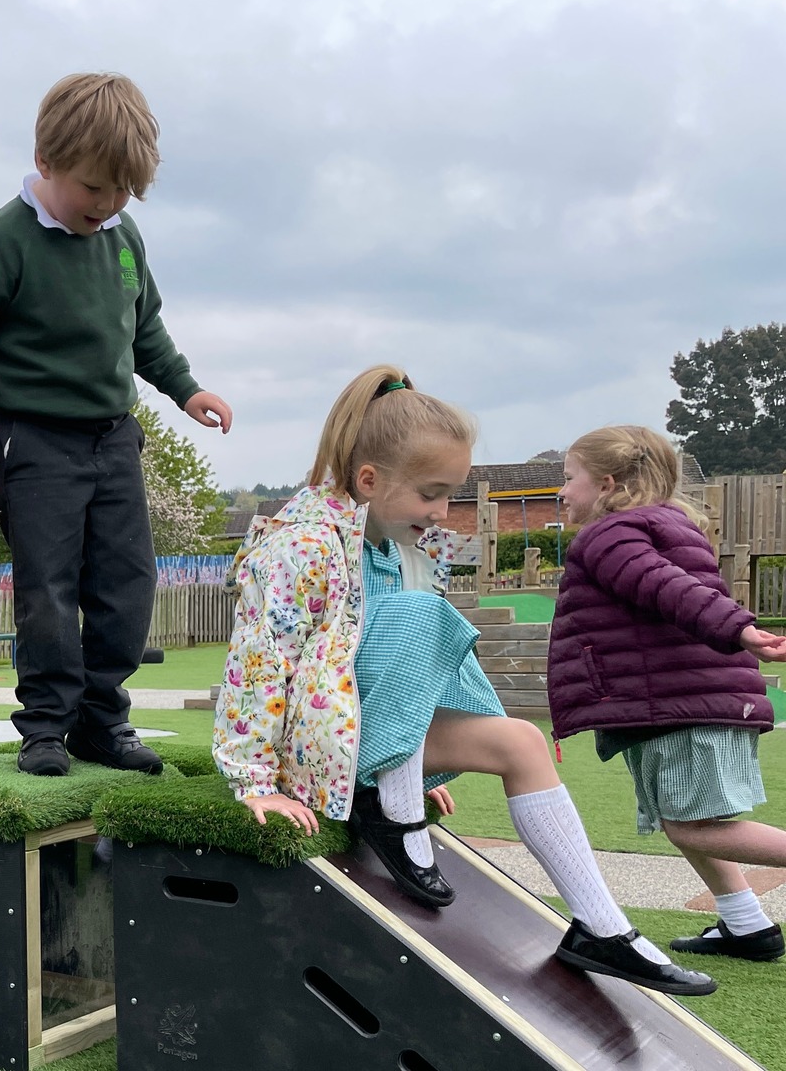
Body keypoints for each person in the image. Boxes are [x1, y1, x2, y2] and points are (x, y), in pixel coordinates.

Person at [214, 366, 715, 996]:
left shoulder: (397, 548)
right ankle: (390, 807)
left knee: (522, 744)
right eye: (431, 493)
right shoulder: (301, 545)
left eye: (450, 493)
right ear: (369, 481)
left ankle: (601, 929)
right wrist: (254, 783)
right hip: (307, 754)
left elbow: (423, 661)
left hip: (361, 733)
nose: (442, 512)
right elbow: (257, 665)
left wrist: (418, 748)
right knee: (417, 613)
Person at [0, 72, 233, 777]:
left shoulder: (122, 236)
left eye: (124, 192)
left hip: (114, 438)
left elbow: (143, 328)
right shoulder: (2, 243)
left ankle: (101, 720)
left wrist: (186, 390)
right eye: (94, 188)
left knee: (128, 584)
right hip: (37, 440)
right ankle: (46, 728)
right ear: (47, 162)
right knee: (48, 590)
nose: (108, 203)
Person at [553, 425, 786, 963]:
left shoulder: (609, 534)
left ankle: (746, 923)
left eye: (569, 479)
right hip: (686, 700)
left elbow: (670, 587)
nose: (562, 492)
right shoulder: (665, 525)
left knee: (693, 825)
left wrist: (742, 630)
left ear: (607, 484)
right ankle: (747, 925)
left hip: (680, 703)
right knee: (692, 821)